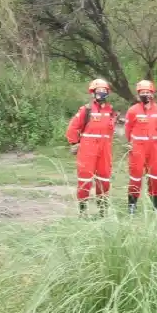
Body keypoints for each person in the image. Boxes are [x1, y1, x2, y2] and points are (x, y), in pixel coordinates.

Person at [65, 77, 117, 216]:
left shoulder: (110, 111)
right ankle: (83, 212)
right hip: (87, 150)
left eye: (104, 90)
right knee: (85, 180)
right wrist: (74, 143)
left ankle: (102, 212)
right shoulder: (86, 110)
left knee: (104, 180)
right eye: (98, 90)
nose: (101, 93)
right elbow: (72, 128)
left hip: (105, 150)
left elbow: (110, 131)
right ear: (93, 92)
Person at [123, 79, 157, 214]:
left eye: (148, 92)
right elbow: (128, 129)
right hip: (138, 147)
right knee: (135, 176)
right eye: (142, 92)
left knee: (155, 176)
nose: (145, 95)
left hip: (155, 147)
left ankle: (155, 204)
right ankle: (132, 205)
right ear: (138, 94)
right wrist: (130, 143)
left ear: (152, 93)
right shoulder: (133, 110)